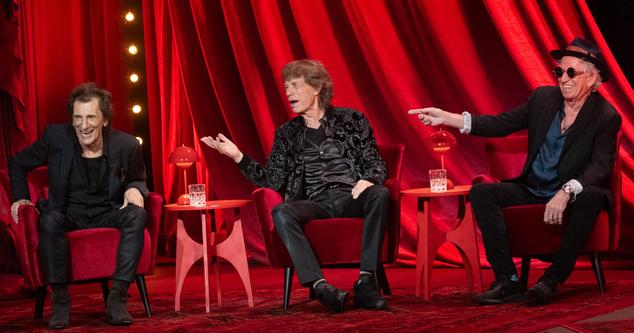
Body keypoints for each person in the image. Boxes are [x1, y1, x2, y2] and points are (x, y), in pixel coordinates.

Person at [408, 38, 621, 305]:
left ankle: (552, 279)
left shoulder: (605, 116)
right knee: (483, 192)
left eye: (571, 73)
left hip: (571, 193)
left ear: (591, 78)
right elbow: (501, 124)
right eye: (559, 72)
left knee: (592, 196)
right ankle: (507, 279)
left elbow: (601, 165)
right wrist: (448, 118)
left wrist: (566, 191)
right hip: (532, 188)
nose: (562, 79)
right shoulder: (543, 98)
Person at [202, 59, 389, 312]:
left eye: (295, 85)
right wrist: (238, 156)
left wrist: (368, 180)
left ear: (317, 87)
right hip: (315, 202)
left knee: (380, 193)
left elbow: (374, 162)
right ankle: (320, 286)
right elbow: (273, 181)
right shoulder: (286, 133)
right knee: (281, 210)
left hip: (351, 196)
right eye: (286, 86)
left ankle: (366, 282)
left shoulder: (353, 119)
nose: (288, 92)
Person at [8, 82, 149, 328]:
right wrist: (20, 196)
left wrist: (135, 188)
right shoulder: (56, 138)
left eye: (91, 117)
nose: (84, 126)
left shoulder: (126, 145)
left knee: (136, 215)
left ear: (105, 120)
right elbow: (18, 164)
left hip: (107, 212)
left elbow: (138, 177)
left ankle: (117, 300)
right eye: (78, 118)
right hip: (67, 214)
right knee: (49, 219)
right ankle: (60, 302)